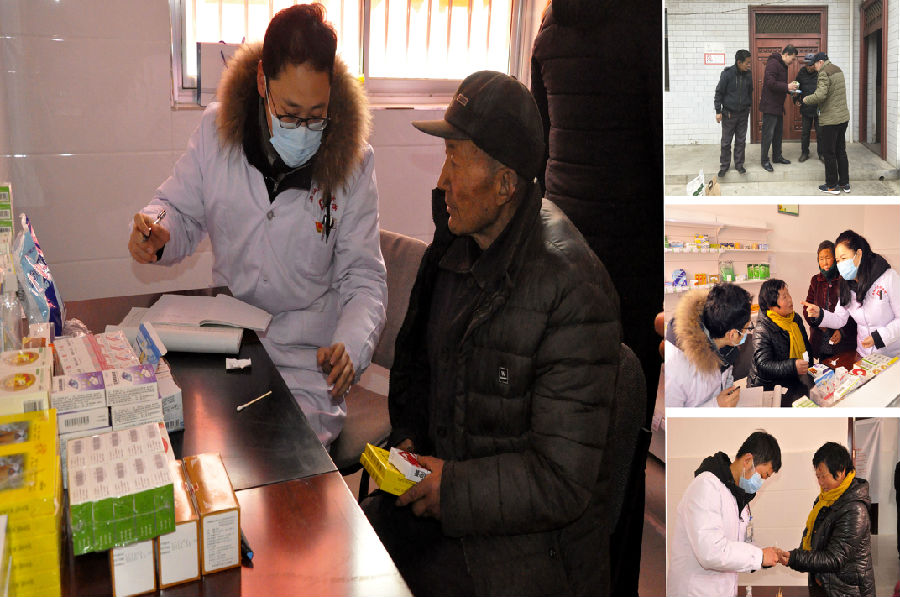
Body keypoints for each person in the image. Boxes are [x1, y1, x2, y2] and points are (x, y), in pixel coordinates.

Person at [361, 71, 621, 596]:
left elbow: (561, 481)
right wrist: (411, 440)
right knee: (345, 550)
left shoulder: (573, 290)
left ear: (505, 185)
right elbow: (419, 371)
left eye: (456, 160)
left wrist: (450, 489)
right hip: (455, 509)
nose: (442, 180)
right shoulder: (459, 244)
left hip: (527, 552)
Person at [126, 4, 387, 446]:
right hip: (226, 341)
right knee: (191, 444)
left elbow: (364, 278)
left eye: (316, 115)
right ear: (263, 81)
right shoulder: (217, 132)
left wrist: (350, 345)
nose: (302, 128)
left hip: (307, 362)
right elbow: (178, 210)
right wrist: (158, 232)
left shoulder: (353, 164)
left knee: (284, 458)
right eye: (290, 112)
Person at [530, 3, 660, 593]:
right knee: (623, 442)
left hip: (562, 257)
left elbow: (537, 146)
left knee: (562, 425)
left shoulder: (551, 27)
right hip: (631, 270)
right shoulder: (645, 23)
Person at [668, 431, 784, 596]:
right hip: (696, 592)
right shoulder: (707, 487)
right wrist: (759, 556)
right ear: (748, 460)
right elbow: (710, 552)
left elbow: (739, 546)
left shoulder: (740, 499)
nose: (761, 483)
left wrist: (766, 555)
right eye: (762, 475)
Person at [780, 442, 875, 597]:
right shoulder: (825, 500)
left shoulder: (854, 509)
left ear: (840, 472)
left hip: (847, 591)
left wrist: (794, 558)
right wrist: (793, 557)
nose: (820, 482)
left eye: (823, 476)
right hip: (827, 586)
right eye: (818, 477)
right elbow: (815, 543)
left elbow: (835, 558)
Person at [803, 230, 900, 357]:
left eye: (844, 258)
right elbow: (840, 319)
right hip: (863, 353)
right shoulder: (846, 285)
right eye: (838, 260)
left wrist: (879, 337)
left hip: (890, 354)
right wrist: (820, 314)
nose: (841, 265)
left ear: (858, 254)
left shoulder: (888, 278)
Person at [665, 284, 752, 408]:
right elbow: (672, 416)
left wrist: (728, 391)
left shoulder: (724, 344)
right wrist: (716, 406)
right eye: (747, 328)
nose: (747, 333)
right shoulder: (675, 366)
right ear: (732, 335)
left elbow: (725, 376)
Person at [747, 279, 812, 405]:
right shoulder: (762, 329)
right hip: (768, 386)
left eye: (788, 294)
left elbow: (806, 346)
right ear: (771, 305)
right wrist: (792, 366)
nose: (790, 300)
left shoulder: (794, 319)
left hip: (792, 378)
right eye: (784, 297)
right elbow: (763, 365)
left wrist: (810, 367)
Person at [802, 52, 851, 195]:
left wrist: (806, 99)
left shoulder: (824, 73)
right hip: (842, 117)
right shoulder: (837, 69)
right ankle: (844, 183)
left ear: (821, 62)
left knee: (829, 153)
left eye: (815, 64)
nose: (814, 67)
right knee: (841, 151)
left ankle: (831, 186)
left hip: (831, 120)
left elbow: (821, 95)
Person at [804, 240, 857, 360]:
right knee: (824, 368)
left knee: (843, 367)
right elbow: (807, 306)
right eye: (821, 259)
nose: (825, 262)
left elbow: (853, 311)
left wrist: (842, 331)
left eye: (828, 258)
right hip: (820, 338)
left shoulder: (845, 279)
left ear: (835, 258)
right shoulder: (815, 280)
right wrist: (818, 322)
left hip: (843, 341)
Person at [758, 45, 799, 172]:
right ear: (786, 54)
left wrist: (790, 91)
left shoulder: (782, 65)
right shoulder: (773, 64)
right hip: (770, 106)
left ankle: (777, 157)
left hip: (778, 106)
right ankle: (764, 160)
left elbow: (779, 85)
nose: (792, 62)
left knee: (778, 134)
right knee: (768, 135)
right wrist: (787, 87)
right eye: (792, 59)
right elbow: (770, 83)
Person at [715, 49, 753, 178]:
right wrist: (718, 111)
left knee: (741, 141)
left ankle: (739, 165)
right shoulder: (727, 74)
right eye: (747, 63)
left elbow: (750, 91)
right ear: (739, 62)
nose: (749, 65)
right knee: (726, 142)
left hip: (743, 113)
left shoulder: (748, 74)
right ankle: (724, 166)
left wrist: (748, 106)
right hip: (729, 114)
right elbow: (719, 92)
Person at [795, 53, 823, 162]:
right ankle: (805, 153)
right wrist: (796, 99)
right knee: (805, 133)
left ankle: (821, 154)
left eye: (810, 65)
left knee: (820, 133)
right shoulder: (801, 73)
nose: (808, 67)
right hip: (806, 108)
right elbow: (797, 88)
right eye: (807, 64)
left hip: (818, 108)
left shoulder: (820, 73)